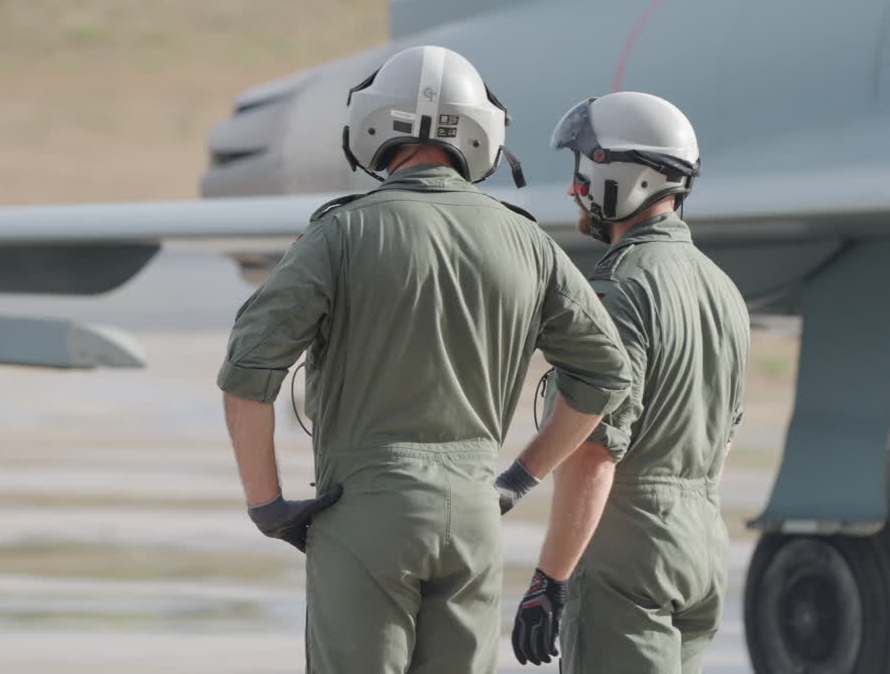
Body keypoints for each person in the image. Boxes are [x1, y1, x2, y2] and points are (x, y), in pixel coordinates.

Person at [216, 45, 631, 674]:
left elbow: (248, 374)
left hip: (363, 515)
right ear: (481, 133)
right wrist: (517, 480)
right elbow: (606, 373)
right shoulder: (527, 241)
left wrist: (268, 507)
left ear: (374, 124)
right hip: (473, 518)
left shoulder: (340, 232)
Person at [510, 92, 750, 672]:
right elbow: (722, 440)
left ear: (624, 176)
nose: (575, 190)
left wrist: (551, 578)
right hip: (700, 546)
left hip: (627, 555)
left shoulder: (623, 289)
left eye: (583, 173)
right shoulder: (723, 290)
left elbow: (594, 448)